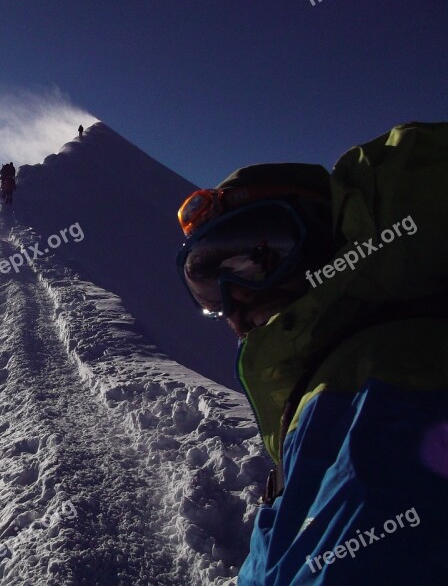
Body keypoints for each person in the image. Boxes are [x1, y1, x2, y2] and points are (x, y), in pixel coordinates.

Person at [175, 122, 448, 584]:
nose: (232, 302)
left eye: (259, 258)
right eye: (207, 284)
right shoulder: (324, 382)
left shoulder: (381, 382)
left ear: (325, 242)